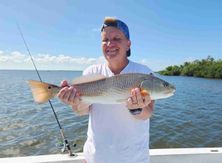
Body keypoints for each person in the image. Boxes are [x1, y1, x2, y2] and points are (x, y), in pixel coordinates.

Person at [57, 17, 154, 163]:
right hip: (96, 157)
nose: (110, 44)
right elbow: (81, 111)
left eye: (117, 38)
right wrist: (73, 101)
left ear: (128, 44)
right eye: (105, 40)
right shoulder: (91, 72)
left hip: (134, 158)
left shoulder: (144, 73)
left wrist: (137, 109)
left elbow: (148, 113)